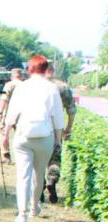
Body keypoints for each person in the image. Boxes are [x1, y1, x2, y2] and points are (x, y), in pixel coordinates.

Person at [1, 55, 65, 222]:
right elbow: (58, 118)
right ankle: (34, 207)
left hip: (23, 136)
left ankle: (21, 214)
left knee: (22, 176)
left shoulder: (22, 87)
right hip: (45, 138)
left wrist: (6, 135)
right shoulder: (52, 89)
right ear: (46, 69)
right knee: (39, 176)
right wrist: (58, 141)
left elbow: (12, 114)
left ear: (29, 69)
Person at [43, 64, 77, 203]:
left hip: (38, 127)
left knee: (38, 160)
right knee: (55, 160)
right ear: (53, 71)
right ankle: (51, 180)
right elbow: (71, 110)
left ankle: (39, 186)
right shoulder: (63, 87)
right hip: (56, 129)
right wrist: (68, 128)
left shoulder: (36, 86)